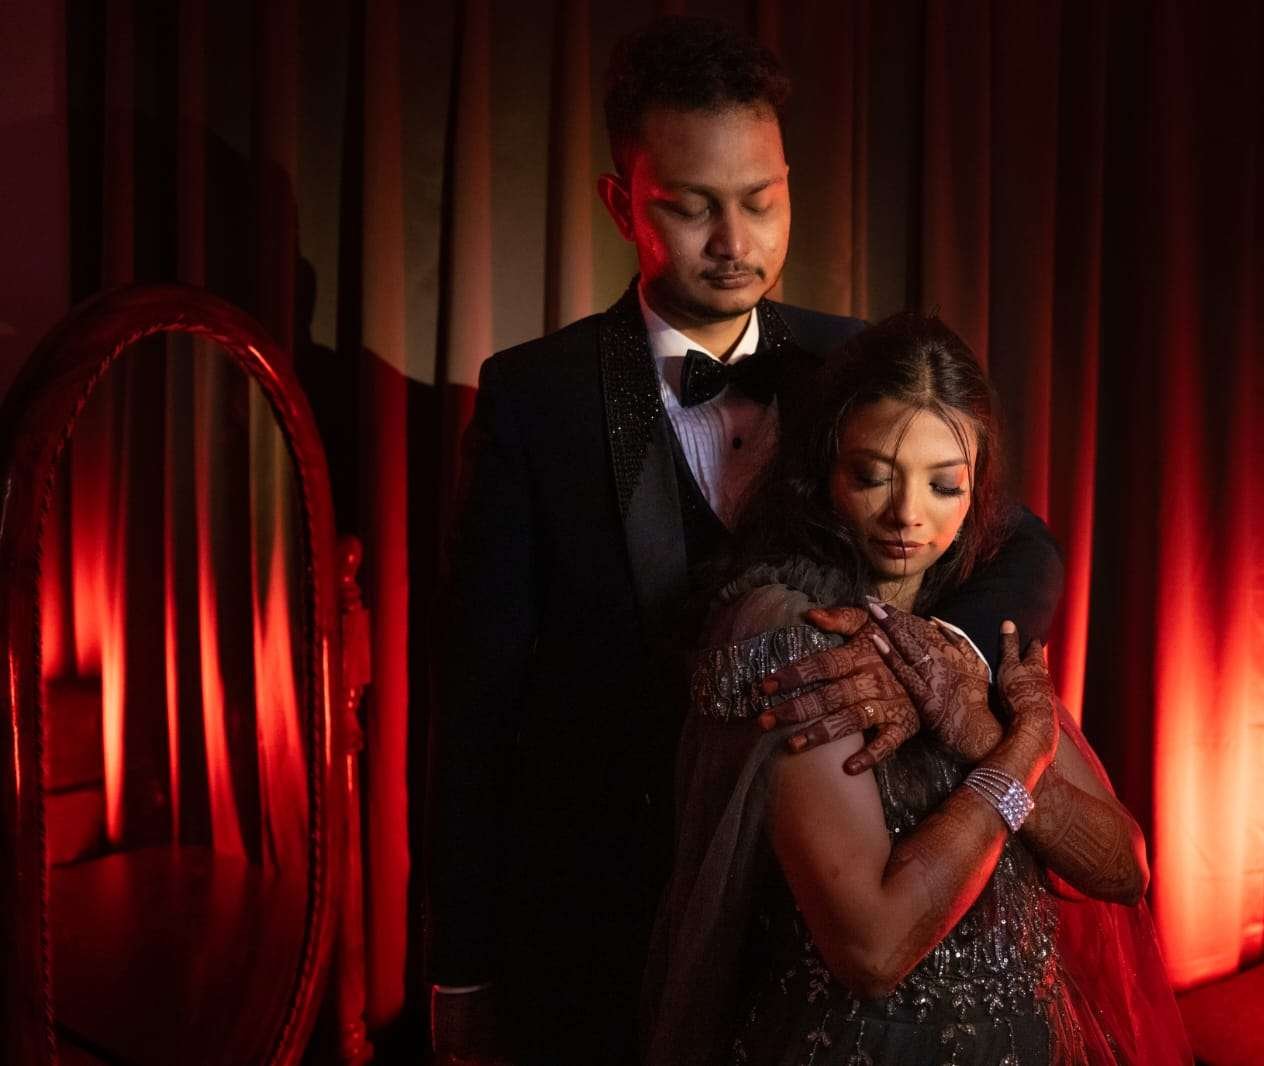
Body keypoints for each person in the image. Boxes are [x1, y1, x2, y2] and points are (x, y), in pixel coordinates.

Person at [426, 17, 1064, 1064]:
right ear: (621, 203)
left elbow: (1025, 546)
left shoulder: (857, 361)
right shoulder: (534, 398)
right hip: (607, 917)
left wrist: (940, 654)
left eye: (760, 200)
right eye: (691, 206)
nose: (734, 240)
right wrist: (462, 965)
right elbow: (477, 704)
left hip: (816, 924)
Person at [646, 313, 1191, 1065]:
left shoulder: (972, 625)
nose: (908, 515)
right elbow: (872, 948)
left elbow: (1124, 870)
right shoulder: (794, 629)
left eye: (943, 486)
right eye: (873, 476)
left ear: (977, 490)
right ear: (824, 471)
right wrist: (1017, 752)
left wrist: (980, 732)